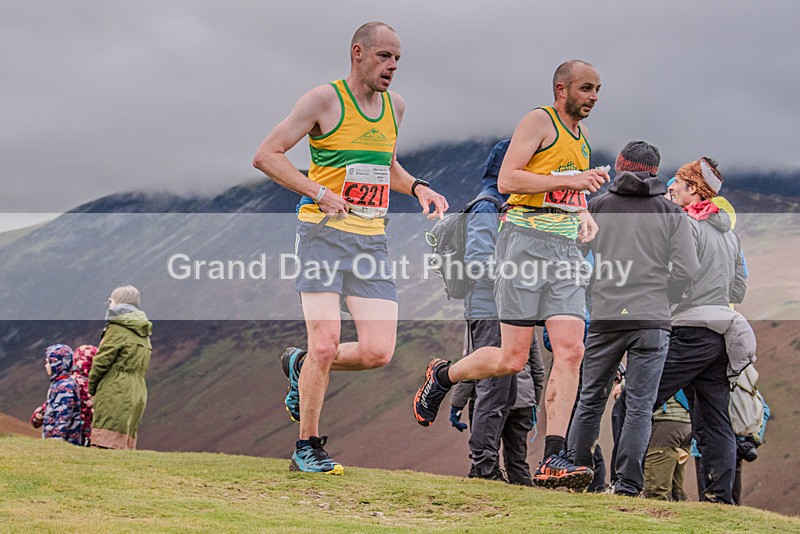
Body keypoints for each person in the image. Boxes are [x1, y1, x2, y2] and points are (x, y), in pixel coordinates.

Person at [252, 21, 447, 474]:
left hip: (370, 240)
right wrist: (318, 191)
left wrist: (418, 188)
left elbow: (387, 165)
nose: (393, 66)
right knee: (326, 343)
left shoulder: (395, 107)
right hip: (321, 234)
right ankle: (308, 447)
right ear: (357, 53)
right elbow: (266, 154)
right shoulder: (324, 100)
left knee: (378, 352)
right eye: (384, 56)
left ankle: (300, 366)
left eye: (398, 58)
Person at [414, 60, 608, 490]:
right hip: (523, 243)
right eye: (586, 88)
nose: (594, 96)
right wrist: (577, 181)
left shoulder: (583, 138)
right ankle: (443, 375)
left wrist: (583, 212)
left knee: (570, 350)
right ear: (562, 89)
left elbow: (565, 189)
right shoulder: (539, 121)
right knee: (511, 359)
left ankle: (554, 456)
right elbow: (508, 178)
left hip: (564, 250)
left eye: (598, 89)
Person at [567, 141, 700, 495]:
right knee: (640, 407)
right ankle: (627, 485)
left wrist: (591, 294)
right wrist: (664, 297)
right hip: (652, 319)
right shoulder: (672, 215)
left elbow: (573, 256)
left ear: (620, 164)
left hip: (606, 315)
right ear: (655, 173)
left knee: (590, 397)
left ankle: (577, 472)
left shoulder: (596, 206)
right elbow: (688, 270)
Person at [446, 140, 545, 485]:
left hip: (504, 306)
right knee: (493, 388)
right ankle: (483, 466)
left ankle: (487, 465)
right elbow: (477, 262)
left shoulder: (504, 205)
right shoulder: (488, 206)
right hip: (489, 306)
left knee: (504, 390)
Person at [654, 157, 748, 504]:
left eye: (677, 182)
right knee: (714, 418)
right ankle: (719, 497)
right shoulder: (730, 235)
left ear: (693, 189)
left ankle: (625, 483)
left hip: (688, 327)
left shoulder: (685, 226)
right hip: (720, 331)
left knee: (636, 398)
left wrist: (670, 301)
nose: (671, 187)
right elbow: (738, 291)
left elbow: (677, 273)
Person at [89, 285, 153, 450]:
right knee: (123, 445)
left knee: (105, 443)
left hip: (115, 388)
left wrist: (92, 388)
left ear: (117, 303)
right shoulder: (143, 331)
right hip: (137, 390)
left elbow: (102, 360)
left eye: (110, 301)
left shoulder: (117, 328)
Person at [644, 391, 692, 501]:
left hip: (666, 420)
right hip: (687, 419)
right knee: (677, 490)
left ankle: (660, 517)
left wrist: (622, 385)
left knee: (657, 491)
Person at [30, 344, 82, 445]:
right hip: (56, 443)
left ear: (57, 364)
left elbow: (63, 416)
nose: (46, 366)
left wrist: (56, 441)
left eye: (48, 362)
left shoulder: (65, 387)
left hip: (65, 444)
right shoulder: (59, 384)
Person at [72, 344, 97, 446]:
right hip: (91, 436)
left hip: (69, 431)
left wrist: (37, 417)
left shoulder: (69, 383)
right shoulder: (98, 386)